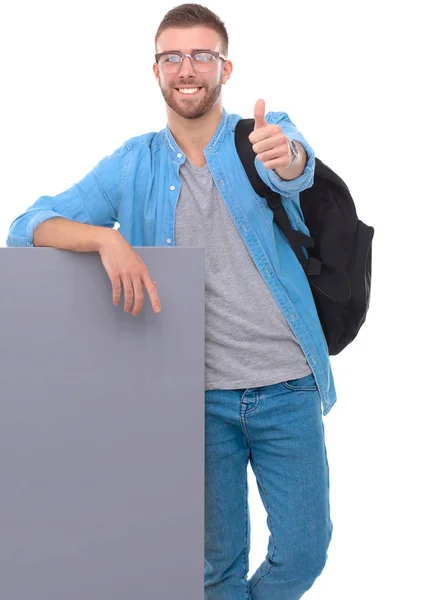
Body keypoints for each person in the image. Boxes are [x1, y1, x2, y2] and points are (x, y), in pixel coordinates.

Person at [6, 3, 336, 598]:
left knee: (306, 554)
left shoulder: (260, 135)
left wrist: (285, 156)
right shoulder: (133, 164)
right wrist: (105, 238)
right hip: (193, 399)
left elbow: (296, 165)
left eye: (202, 55)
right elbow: (27, 227)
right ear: (155, 70)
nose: (188, 69)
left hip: (287, 386)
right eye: (173, 56)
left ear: (225, 69)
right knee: (217, 568)